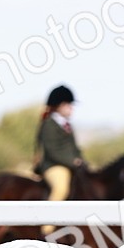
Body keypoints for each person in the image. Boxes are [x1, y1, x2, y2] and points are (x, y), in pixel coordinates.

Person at [34, 85, 83, 236]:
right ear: (60, 105)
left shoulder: (67, 125)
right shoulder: (49, 124)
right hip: (54, 166)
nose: (71, 108)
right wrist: (72, 161)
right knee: (61, 188)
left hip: (69, 165)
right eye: (69, 105)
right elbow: (52, 150)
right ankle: (46, 228)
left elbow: (75, 148)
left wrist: (81, 160)